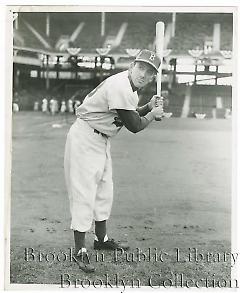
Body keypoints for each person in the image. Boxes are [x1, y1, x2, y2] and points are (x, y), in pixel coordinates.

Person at [64, 49, 164, 273]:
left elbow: (127, 114)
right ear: (131, 67)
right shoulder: (120, 86)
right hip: (85, 138)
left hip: (101, 139)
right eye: (140, 67)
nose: (142, 74)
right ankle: (80, 251)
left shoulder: (128, 88)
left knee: (104, 190)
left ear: (152, 78)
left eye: (149, 72)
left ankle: (101, 240)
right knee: (84, 193)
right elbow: (135, 125)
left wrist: (148, 107)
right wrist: (152, 114)